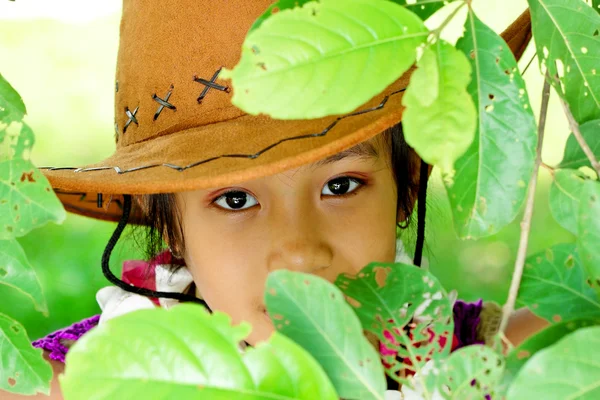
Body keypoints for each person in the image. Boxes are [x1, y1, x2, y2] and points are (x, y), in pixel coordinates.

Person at [5, 1, 547, 398]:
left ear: (406, 186)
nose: (298, 251)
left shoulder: (488, 366)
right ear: (168, 224)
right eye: (236, 199)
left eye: (340, 186)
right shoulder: (72, 384)